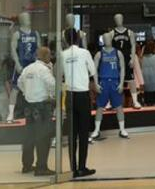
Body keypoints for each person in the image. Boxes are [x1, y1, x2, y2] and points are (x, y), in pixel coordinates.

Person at [61, 29, 97, 178]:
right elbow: (93, 71)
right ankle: (82, 167)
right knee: (83, 133)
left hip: (69, 96)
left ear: (64, 39)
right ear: (77, 38)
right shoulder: (84, 53)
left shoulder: (62, 55)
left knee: (72, 134)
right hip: (82, 96)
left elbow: (61, 75)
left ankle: (73, 168)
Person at [17, 46, 56, 176]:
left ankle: (27, 165)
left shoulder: (28, 68)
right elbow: (53, 84)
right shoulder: (44, 70)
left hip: (29, 106)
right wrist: (52, 96)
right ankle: (41, 167)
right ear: (46, 57)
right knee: (43, 138)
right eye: (49, 55)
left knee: (29, 137)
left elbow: (19, 83)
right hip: (42, 106)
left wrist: (26, 93)